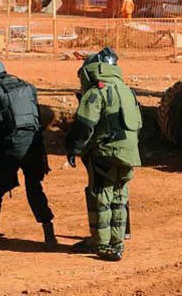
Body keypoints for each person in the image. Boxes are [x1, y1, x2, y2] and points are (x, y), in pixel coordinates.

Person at [65, 47, 142, 261]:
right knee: (119, 196)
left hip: (105, 153)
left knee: (101, 196)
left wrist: (74, 148)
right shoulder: (127, 90)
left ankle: (101, 245)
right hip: (129, 154)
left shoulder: (97, 91)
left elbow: (85, 124)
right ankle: (116, 243)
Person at [0, 59, 57, 251]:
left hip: (11, 146)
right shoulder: (28, 87)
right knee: (35, 188)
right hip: (35, 145)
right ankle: (49, 233)